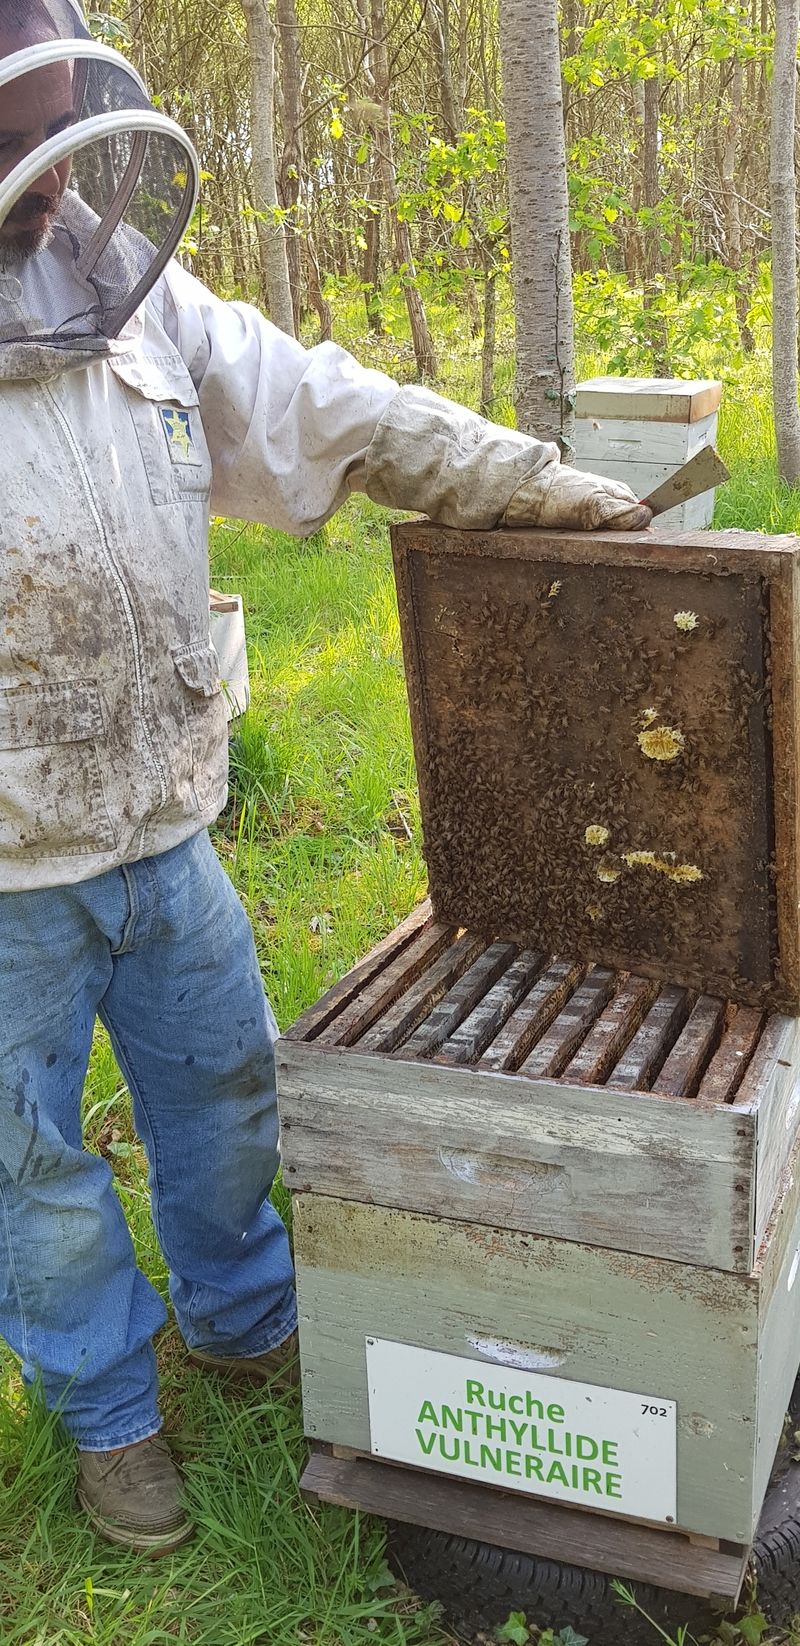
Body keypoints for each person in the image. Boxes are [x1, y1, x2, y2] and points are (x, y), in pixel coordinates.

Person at [0, 0, 652, 1557]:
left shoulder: (138, 299)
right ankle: (108, 1414)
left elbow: (322, 407)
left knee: (228, 1098)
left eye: (49, 128)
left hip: (167, 820)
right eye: (11, 137)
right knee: (32, 1169)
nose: (42, 171)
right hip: (3, 872)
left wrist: (535, 482)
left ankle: (241, 1324)